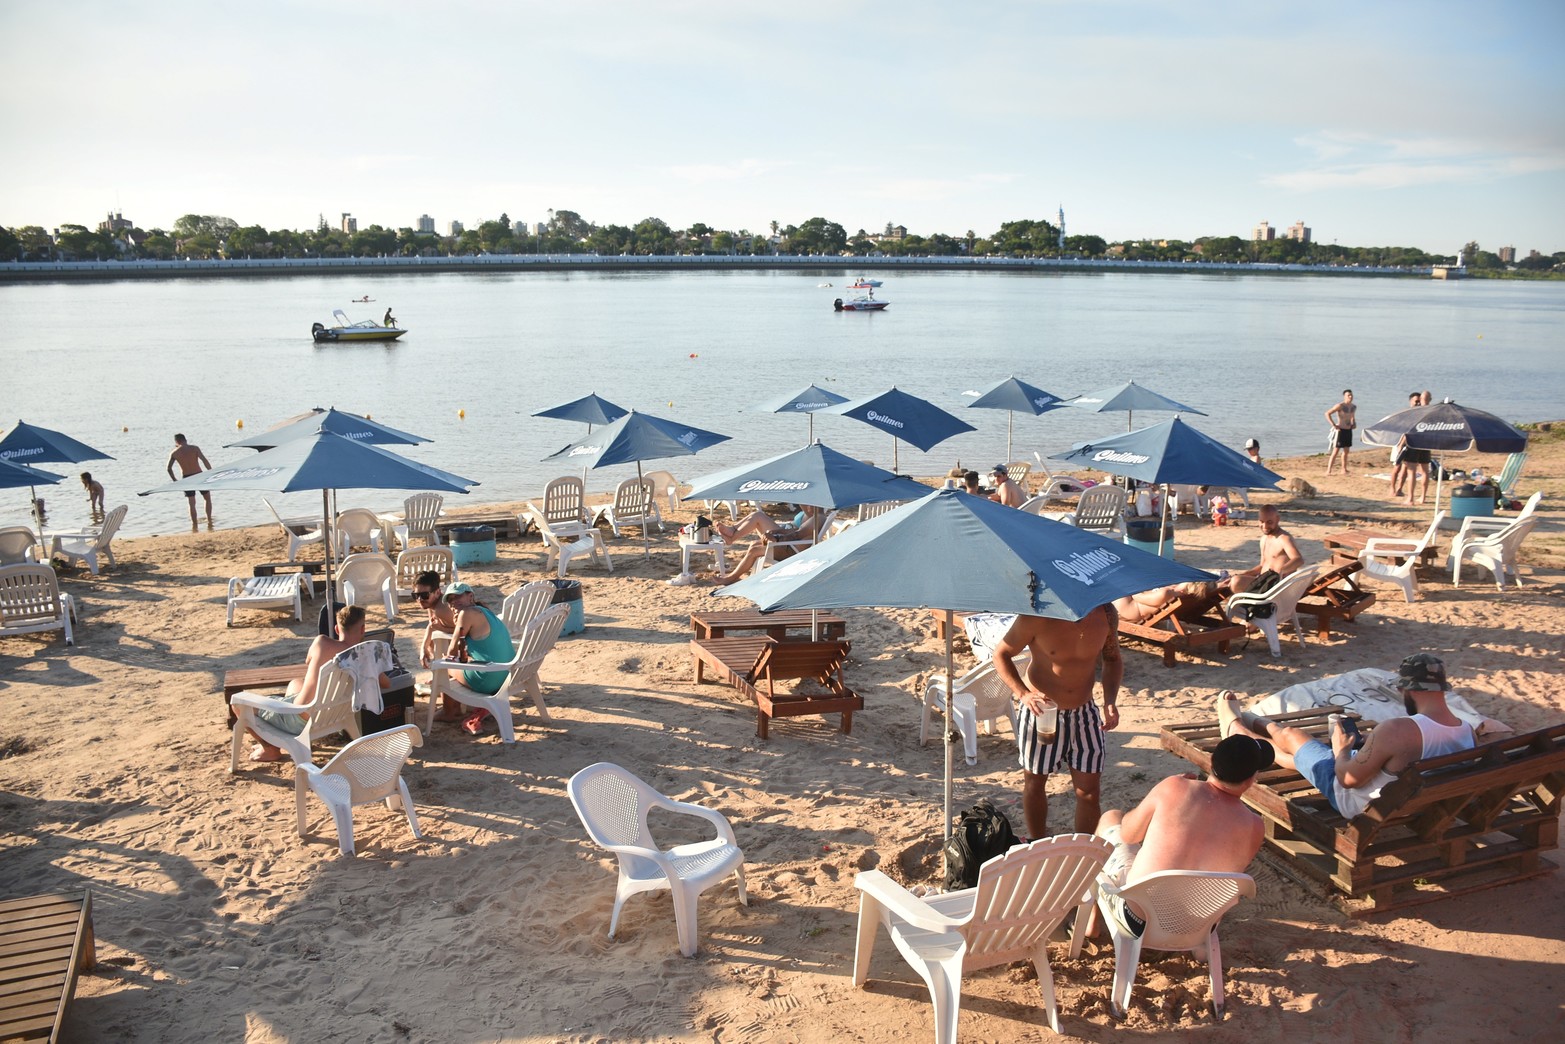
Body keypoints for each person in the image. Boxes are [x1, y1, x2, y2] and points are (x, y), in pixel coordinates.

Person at [1218, 653, 1475, 819]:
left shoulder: (1398, 730)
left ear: (1407, 689)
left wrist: (1341, 749)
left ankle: (1241, 728)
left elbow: (1347, 778)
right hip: (1417, 804)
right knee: (1302, 757)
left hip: (1355, 802)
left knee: (1292, 734)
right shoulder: (1467, 731)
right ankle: (1254, 724)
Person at [1095, 734, 1269, 935]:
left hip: (1138, 921)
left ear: (1211, 762)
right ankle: (1202, 949)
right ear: (1251, 779)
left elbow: (1129, 835)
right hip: (1196, 928)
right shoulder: (1255, 826)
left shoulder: (1174, 787)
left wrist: (1162, 799)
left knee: (1111, 817)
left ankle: (1091, 924)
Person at [992, 604, 1122, 838]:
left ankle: (1081, 849)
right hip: (1042, 713)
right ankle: (1037, 841)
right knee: (1035, 782)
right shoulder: (1038, 616)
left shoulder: (1107, 614)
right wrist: (1023, 693)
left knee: (1089, 792)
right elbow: (1001, 654)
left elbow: (1112, 659)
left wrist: (1110, 701)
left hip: (1085, 713)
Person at [247, 605, 388, 762]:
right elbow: (385, 683)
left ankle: (270, 749)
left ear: (336, 628)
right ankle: (288, 739)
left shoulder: (321, 643)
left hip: (300, 718)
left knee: (240, 705)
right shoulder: (366, 656)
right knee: (296, 683)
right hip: (334, 713)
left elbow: (308, 662)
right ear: (362, 629)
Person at [439, 581, 517, 734]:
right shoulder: (484, 611)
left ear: (470, 596)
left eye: (457, 597)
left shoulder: (465, 614)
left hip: (489, 680)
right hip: (508, 676)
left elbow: (452, 651)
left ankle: (448, 712)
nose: (453, 602)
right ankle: (459, 708)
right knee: (458, 664)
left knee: (443, 665)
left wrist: (456, 625)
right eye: (450, 600)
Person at [712, 505, 826, 584]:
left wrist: (776, 538)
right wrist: (777, 532)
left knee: (754, 549)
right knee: (754, 543)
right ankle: (732, 532)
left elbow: (797, 535)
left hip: (791, 550)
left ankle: (731, 578)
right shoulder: (810, 514)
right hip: (788, 544)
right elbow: (794, 530)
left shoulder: (818, 518)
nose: (804, 506)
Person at [1218, 504, 1303, 596]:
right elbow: (1262, 566)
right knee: (1227, 580)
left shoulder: (1284, 538)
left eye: (1269, 522)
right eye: (1261, 521)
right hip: (1264, 581)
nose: (1265, 526)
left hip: (1276, 585)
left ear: (1277, 519)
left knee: (1236, 582)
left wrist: (1281, 571)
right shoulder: (1264, 539)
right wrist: (1244, 574)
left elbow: (1298, 560)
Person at [1113, 580, 1224, 625]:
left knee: (1114, 583)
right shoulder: (1187, 596)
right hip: (1138, 606)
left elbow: (1137, 596)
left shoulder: (1166, 594)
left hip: (1130, 608)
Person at [167, 433, 213, 530]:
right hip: (199, 475)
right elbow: (204, 460)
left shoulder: (174, 453)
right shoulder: (195, 448)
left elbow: (169, 468)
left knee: (191, 503)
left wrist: (175, 480)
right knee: (207, 498)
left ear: (176, 442)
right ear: (185, 439)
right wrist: (211, 472)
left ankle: (194, 525)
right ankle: (209, 520)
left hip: (187, 478)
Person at [413, 570, 457, 669]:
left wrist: (444, 629)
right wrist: (423, 648)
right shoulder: (431, 604)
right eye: (416, 595)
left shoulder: (442, 609)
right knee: (434, 639)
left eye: (424, 595)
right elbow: (432, 625)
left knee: (437, 638)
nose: (420, 599)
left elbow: (468, 631)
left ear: (437, 592)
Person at [1390, 391, 1423, 497]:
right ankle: (1392, 488)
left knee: (1405, 468)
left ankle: (1399, 489)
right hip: (1400, 442)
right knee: (1397, 467)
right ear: (1411, 402)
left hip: (1411, 444)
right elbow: (1404, 430)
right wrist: (1400, 444)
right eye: (1416, 401)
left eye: (1419, 402)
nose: (1418, 404)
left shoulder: (1420, 415)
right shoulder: (1407, 414)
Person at [1324, 389, 1357, 475]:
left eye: (1351, 395)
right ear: (1344, 396)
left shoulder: (1353, 407)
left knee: (1346, 451)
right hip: (1340, 430)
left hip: (1348, 430)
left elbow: (1352, 417)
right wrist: (1334, 425)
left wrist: (1354, 424)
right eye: (1348, 395)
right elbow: (1327, 413)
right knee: (1335, 451)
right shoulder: (1340, 406)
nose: (1350, 397)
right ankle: (1329, 470)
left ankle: (1344, 469)